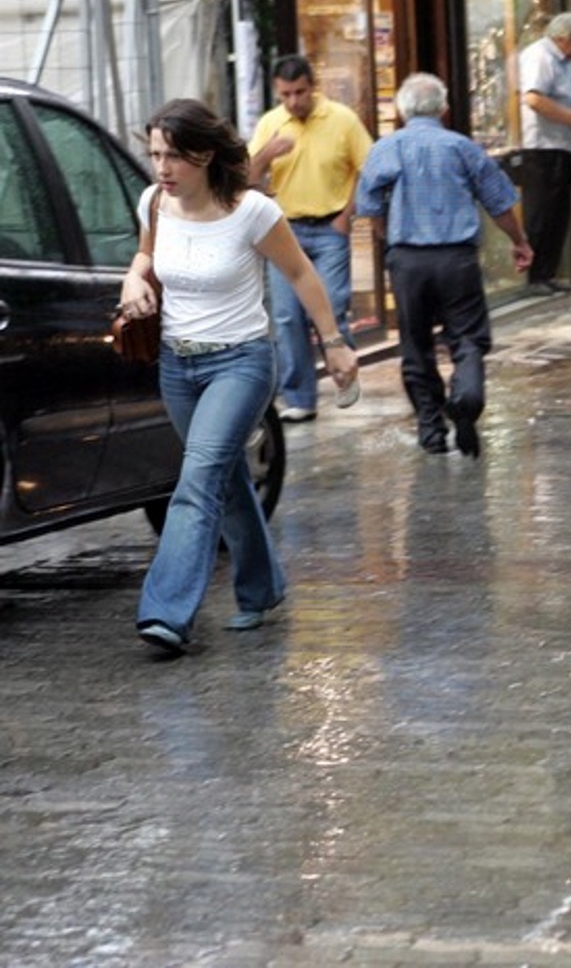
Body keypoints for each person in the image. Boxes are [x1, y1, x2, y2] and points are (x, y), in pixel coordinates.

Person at [118, 99, 359, 654]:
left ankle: (165, 612)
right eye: (154, 154)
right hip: (177, 365)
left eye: (173, 156)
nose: (161, 168)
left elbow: (300, 273)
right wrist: (134, 280)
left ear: (204, 154)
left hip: (241, 363)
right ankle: (263, 588)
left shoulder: (251, 211)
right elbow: (144, 257)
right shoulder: (154, 202)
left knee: (198, 476)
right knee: (223, 478)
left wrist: (336, 343)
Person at [354, 72, 534, 459]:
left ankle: (431, 428)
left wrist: (391, 243)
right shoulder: (462, 147)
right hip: (457, 259)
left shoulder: (388, 148)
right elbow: (499, 201)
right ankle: (466, 397)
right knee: (467, 337)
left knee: (415, 344)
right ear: (445, 109)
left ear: (401, 112)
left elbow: (370, 207)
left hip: (409, 260)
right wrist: (519, 242)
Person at [246, 54, 373, 422]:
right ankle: (300, 397)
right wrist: (268, 153)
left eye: (300, 92)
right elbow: (248, 179)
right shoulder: (271, 124)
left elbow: (367, 169)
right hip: (284, 230)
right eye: (285, 94)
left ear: (312, 86)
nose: (293, 101)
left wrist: (347, 217)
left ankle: (345, 378)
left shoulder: (342, 120)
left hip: (330, 227)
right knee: (286, 316)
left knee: (331, 307)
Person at [518, 11, 571, 295]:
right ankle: (535, 275)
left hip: (564, 144)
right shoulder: (540, 56)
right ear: (562, 38)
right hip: (543, 146)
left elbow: (559, 95)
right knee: (541, 212)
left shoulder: (563, 62)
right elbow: (533, 98)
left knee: (558, 212)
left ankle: (548, 272)